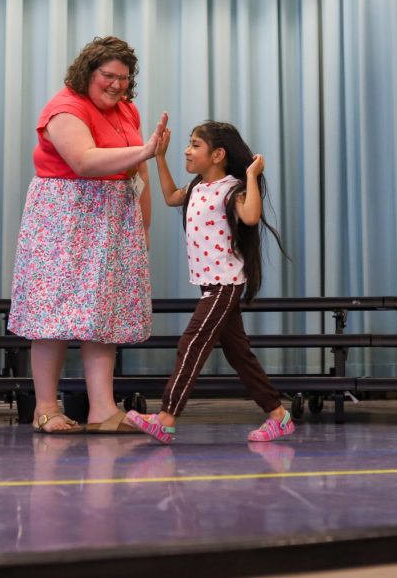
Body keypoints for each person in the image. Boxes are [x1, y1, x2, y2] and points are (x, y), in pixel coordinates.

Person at [8, 36, 166, 434]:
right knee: (53, 314)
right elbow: (84, 161)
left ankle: (102, 410)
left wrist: (143, 227)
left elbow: (139, 173)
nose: (117, 85)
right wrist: (145, 152)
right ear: (87, 72)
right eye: (108, 76)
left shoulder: (127, 109)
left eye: (124, 78)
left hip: (112, 220)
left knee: (103, 314)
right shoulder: (65, 108)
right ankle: (46, 408)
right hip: (64, 220)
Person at [125, 120, 293, 444]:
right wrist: (160, 157)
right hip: (209, 284)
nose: (187, 151)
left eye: (195, 145)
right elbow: (171, 197)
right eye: (189, 144)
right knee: (238, 353)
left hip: (225, 284)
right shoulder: (196, 187)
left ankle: (166, 418)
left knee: (191, 342)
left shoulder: (233, 188)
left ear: (218, 155)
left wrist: (252, 177)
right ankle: (278, 415)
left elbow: (250, 217)